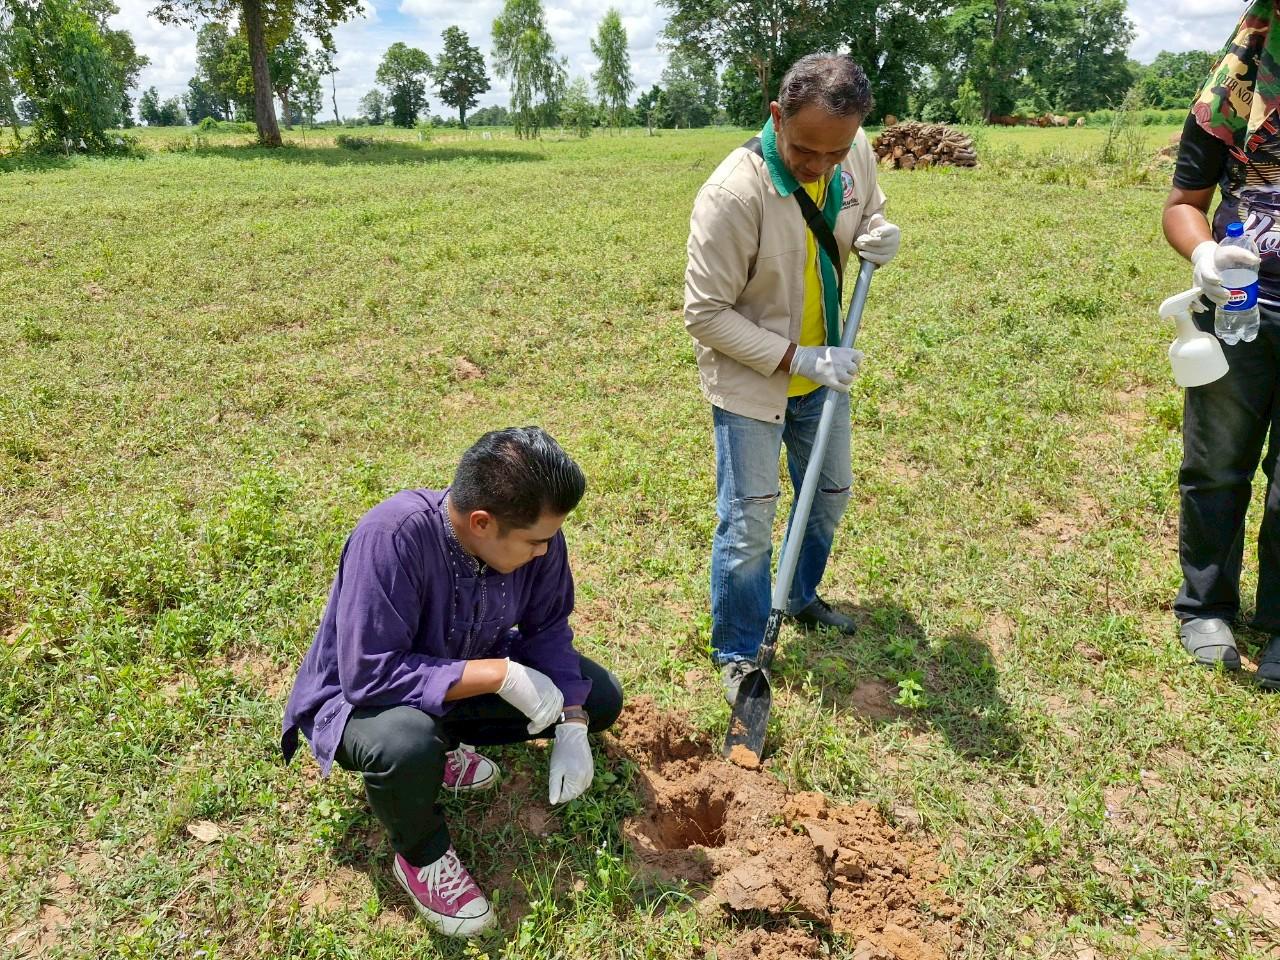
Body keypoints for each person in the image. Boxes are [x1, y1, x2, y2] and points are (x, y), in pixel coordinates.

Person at [281, 427, 625, 936]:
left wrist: (572, 719)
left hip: (461, 666)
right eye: (534, 542)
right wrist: (498, 673)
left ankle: (443, 749)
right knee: (406, 745)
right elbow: (369, 673)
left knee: (600, 697)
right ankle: (421, 857)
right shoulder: (393, 537)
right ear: (482, 523)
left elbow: (549, 627)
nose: (544, 552)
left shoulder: (538, 538)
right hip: (360, 700)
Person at [682, 53, 902, 703]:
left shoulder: (849, 151)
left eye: (836, 155)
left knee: (829, 492)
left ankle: (798, 595)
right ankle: (739, 649)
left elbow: (867, 215)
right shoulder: (731, 195)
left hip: (825, 374)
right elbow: (704, 314)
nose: (821, 168)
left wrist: (879, 233)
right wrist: (795, 358)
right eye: (806, 151)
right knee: (748, 522)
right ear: (777, 117)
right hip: (756, 382)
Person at [1163, 0, 1280, 690]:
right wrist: (1204, 251)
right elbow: (1184, 202)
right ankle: (1205, 606)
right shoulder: (1230, 95)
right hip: (1240, 307)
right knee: (1216, 467)